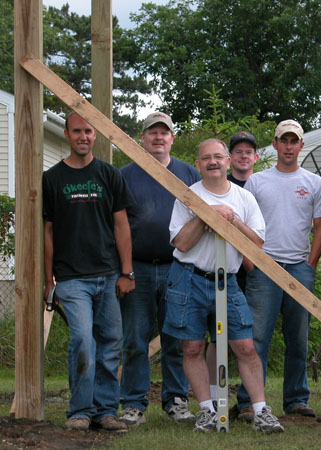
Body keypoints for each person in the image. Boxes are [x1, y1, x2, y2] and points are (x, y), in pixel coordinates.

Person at [163, 138, 284, 434]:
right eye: (206, 158)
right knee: (192, 346)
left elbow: (255, 246)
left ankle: (260, 411)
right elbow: (181, 242)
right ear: (198, 164)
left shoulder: (244, 199)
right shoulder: (188, 196)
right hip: (189, 278)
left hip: (227, 280)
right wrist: (205, 215)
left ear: (228, 161)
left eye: (218, 156)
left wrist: (232, 220)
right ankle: (207, 411)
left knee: (244, 344)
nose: (213, 162)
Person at [42, 112, 135, 432]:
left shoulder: (109, 175)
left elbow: (122, 226)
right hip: (71, 278)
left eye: (89, 131)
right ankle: (80, 410)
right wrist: (48, 280)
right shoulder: (52, 179)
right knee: (83, 339)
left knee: (111, 342)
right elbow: (48, 231)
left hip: (109, 274)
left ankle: (106, 411)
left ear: (96, 136)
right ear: (66, 134)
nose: (83, 136)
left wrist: (127, 272)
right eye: (77, 131)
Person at [236, 120, 321, 420]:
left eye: (294, 141)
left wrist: (310, 264)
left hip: (298, 268)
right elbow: (244, 224)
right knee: (257, 338)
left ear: (301, 145)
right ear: (275, 144)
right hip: (263, 267)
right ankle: (249, 402)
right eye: (283, 141)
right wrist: (251, 262)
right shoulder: (257, 181)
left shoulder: (314, 183)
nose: (289, 146)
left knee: (298, 338)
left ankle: (296, 400)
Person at [118, 112, 200, 426]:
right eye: (152, 132)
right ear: (143, 138)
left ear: (172, 138)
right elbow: (117, 226)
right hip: (136, 268)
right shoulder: (126, 175)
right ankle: (134, 404)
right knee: (135, 340)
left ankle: (176, 401)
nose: (158, 138)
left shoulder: (188, 173)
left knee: (175, 339)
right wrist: (123, 270)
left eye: (164, 133)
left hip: (177, 267)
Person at [206, 131, 259, 405]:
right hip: (219, 270)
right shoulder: (211, 186)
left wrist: (252, 264)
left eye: (248, 152)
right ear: (230, 158)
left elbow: (256, 235)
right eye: (238, 151)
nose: (243, 156)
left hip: (251, 269)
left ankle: (251, 401)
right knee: (217, 335)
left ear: (255, 157)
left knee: (246, 336)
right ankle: (216, 397)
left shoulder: (258, 186)